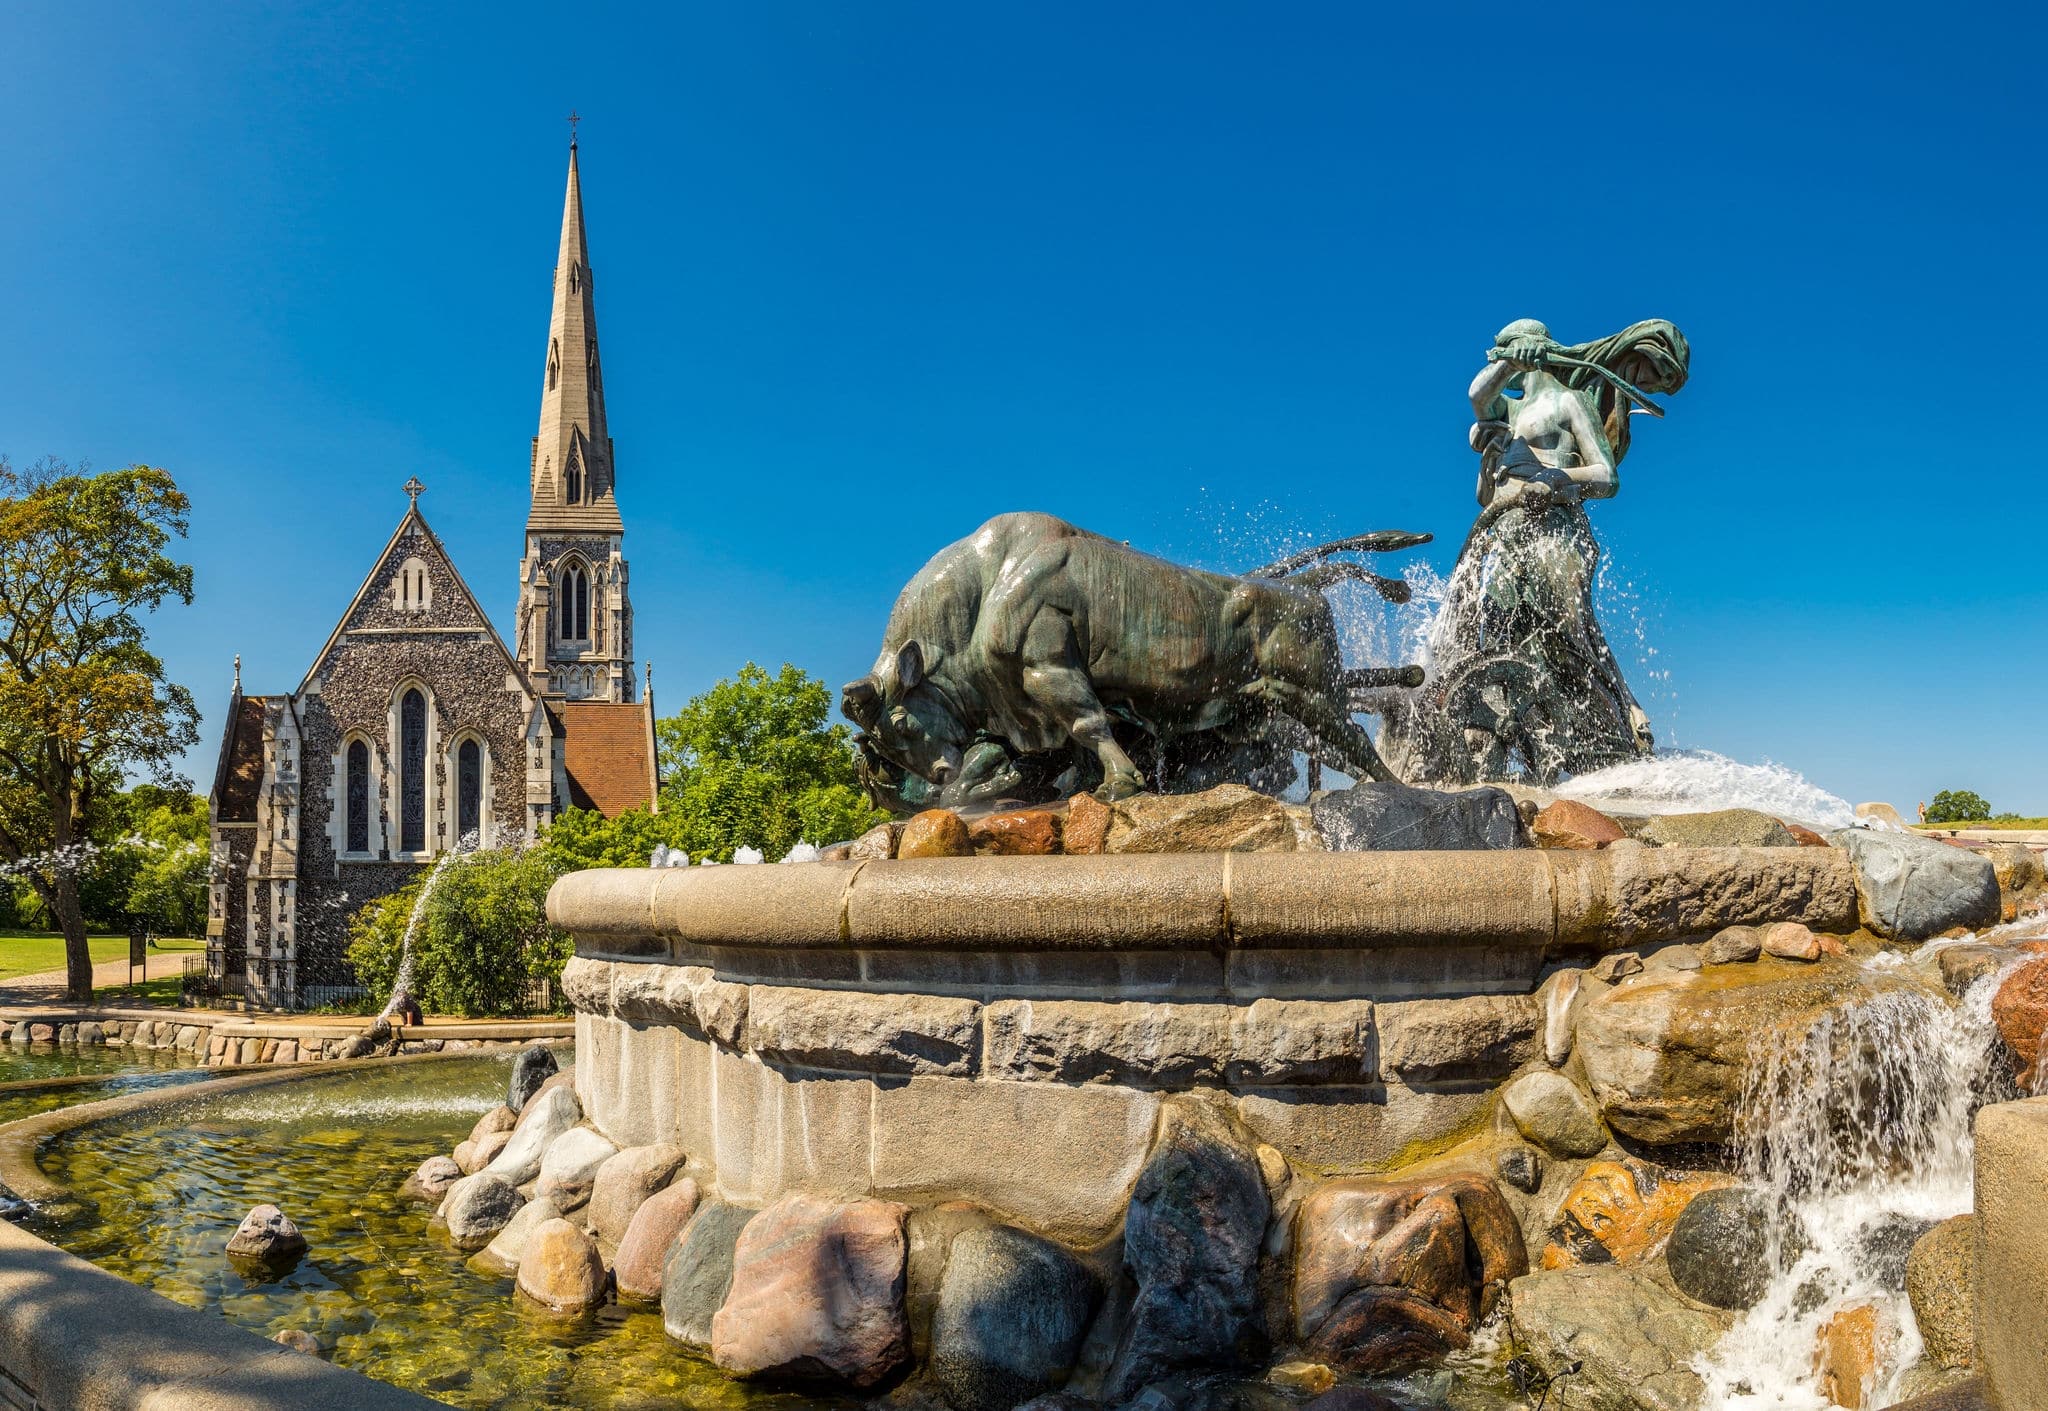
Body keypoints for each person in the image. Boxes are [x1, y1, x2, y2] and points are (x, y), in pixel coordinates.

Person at [1382, 318, 1689, 785]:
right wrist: (1504, 377)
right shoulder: (1505, 416)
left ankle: (1626, 717)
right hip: (1504, 534)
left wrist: (1558, 479)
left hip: (1556, 532)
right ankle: (1503, 742)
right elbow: (1477, 398)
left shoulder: (1571, 402)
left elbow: (1607, 477)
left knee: (1566, 631)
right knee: (1501, 637)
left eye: (1508, 356)